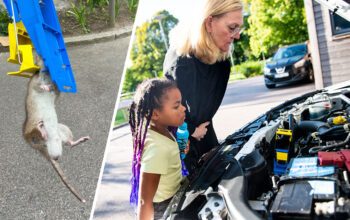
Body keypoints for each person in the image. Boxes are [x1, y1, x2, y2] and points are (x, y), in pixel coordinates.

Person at [164, 0, 244, 173]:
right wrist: (192, 130)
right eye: (232, 28)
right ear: (209, 23)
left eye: (239, 28)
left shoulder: (221, 63)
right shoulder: (181, 63)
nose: (237, 35)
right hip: (183, 146)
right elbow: (168, 113)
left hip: (207, 139)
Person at [128, 78, 186, 220]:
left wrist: (180, 150)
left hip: (174, 193)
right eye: (176, 106)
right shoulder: (157, 148)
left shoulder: (160, 131)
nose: (183, 108)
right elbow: (145, 201)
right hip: (164, 207)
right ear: (155, 114)